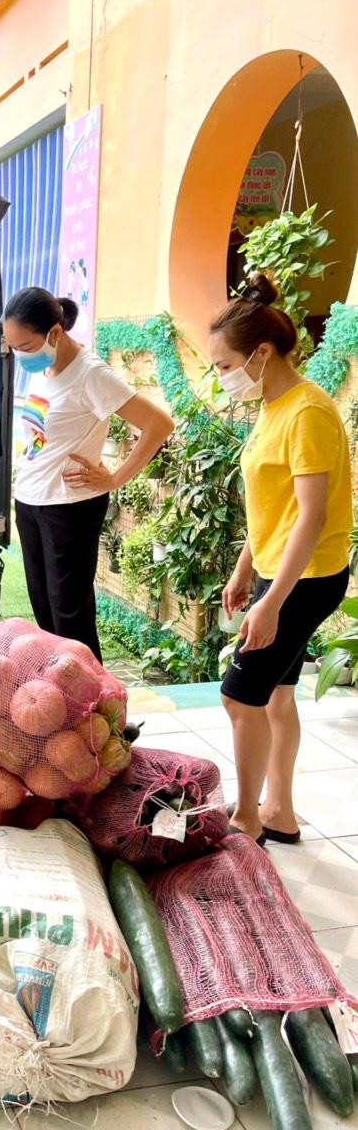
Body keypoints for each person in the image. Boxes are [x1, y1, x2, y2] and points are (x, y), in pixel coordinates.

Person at [214, 275, 351, 845]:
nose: (220, 377)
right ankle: (280, 812)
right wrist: (247, 568)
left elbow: (311, 518)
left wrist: (273, 601)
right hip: (280, 572)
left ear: (262, 354)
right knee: (276, 695)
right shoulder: (274, 406)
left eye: (224, 365)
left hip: (307, 580)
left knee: (238, 695)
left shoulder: (308, 414)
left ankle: (247, 817)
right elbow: (273, 505)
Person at [2, 287, 173, 661]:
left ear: (55, 333)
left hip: (69, 508)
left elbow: (158, 424)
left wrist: (115, 478)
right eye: (13, 346)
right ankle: (56, 700)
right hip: (31, 502)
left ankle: (97, 711)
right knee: (46, 614)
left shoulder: (91, 374)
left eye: (26, 346)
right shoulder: (44, 366)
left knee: (70, 619)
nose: (19, 355)